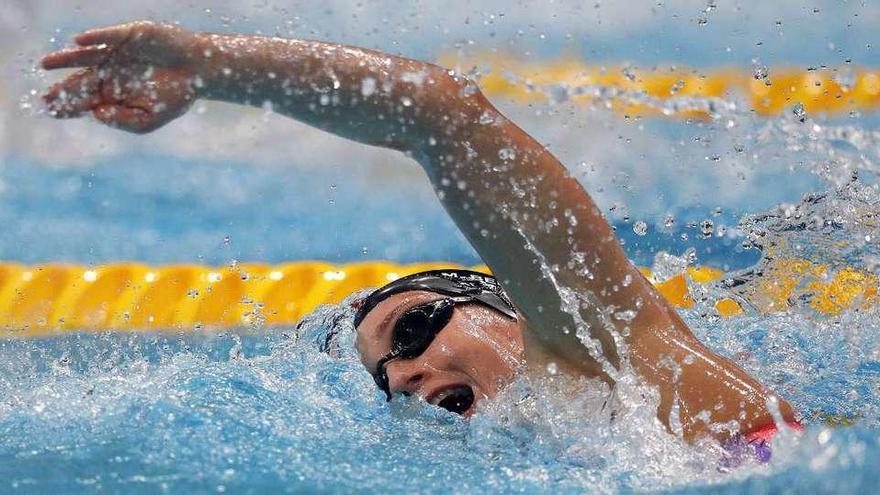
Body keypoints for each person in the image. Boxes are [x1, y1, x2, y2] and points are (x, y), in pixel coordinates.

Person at [41, 21, 798, 446]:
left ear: (510, 304)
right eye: (385, 378)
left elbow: (438, 112)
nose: (401, 375)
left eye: (414, 329)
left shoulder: (622, 355)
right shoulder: (580, 447)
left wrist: (211, 67)